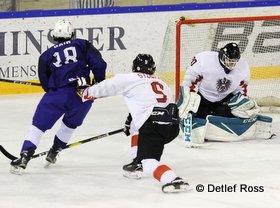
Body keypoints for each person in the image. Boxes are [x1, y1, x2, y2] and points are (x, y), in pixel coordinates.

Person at [77, 54, 189, 193]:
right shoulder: (162, 83)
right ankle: (137, 161)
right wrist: (133, 117)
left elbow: (105, 87)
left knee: (149, 163)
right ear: (153, 69)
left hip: (153, 127)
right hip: (171, 128)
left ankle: (172, 179)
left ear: (134, 67)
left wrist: (85, 92)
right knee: (136, 126)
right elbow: (155, 103)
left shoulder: (129, 78)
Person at [10, 19, 107, 174]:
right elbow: (100, 65)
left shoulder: (46, 56)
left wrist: (55, 89)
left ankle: (25, 156)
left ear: (54, 36)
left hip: (57, 95)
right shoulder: (82, 45)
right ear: (72, 34)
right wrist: (98, 85)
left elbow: (45, 83)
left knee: (38, 127)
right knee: (69, 126)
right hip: (82, 95)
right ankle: (54, 151)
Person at [177, 42, 272, 146]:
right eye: (229, 61)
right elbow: (189, 83)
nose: (232, 65)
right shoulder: (204, 60)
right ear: (222, 56)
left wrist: (242, 104)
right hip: (202, 97)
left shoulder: (243, 67)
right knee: (192, 108)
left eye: (234, 62)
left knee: (243, 108)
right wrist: (189, 102)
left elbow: (241, 90)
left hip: (223, 99)